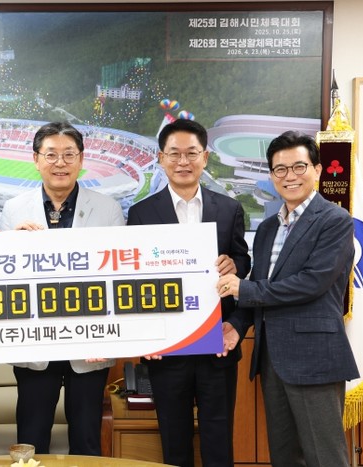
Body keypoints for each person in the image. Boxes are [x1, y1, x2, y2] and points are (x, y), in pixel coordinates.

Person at [218, 131, 359, 467]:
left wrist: (242, 289)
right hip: (272, 359)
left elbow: (311, 283)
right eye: (280, 169)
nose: (289, 176)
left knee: (325, 457)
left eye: (299, 166)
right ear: (271, 176)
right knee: (284, 455)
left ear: (317, 170)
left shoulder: (335, 220)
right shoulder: (268, 228)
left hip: (314, 358)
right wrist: (236, 325)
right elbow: (261, 285)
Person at [127, 118, 251, 467]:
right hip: (167, 350)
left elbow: (242, 259)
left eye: (192, 153)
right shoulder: (141, 213)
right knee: (174, 441)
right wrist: (145, 336)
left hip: (217, 343)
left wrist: (234, 264)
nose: (183, 161)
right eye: (174, 154)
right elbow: (132, 280)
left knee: (219, 440)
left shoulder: (228, 209)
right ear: (160, 158)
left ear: (205, 157)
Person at [0, 121, 125, 455]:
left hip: (90, 344)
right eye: (51, 154)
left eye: (69, 154)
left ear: (81, 159)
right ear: (36, 159)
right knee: (31, 438)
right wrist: (11, 245)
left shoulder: (108, 209)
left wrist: (108, 338)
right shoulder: (14, 209)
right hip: (34, 342)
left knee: (86, 440)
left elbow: (118, 278)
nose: (60, 163)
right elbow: (3, 279)